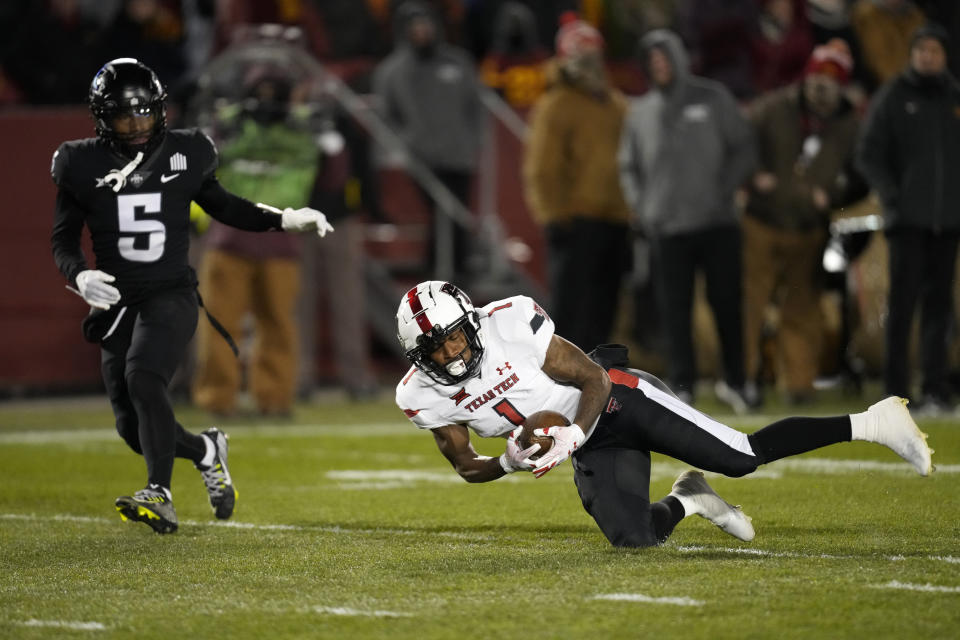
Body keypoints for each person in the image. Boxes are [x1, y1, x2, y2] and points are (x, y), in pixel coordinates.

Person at [394, 281, 933, 548]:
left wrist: (574, 435)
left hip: (614, 403)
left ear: (470, 321)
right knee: (633, 538)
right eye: (435, 350)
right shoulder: (422, 394)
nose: (452, 355)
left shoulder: (509, 322)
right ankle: (690, 498)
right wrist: (508, 461)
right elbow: (466, 465)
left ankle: (873, 420)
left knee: (742, 457)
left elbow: (592, 378)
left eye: (456, 338)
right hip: (581, 441)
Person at [50, 58, 334, 534]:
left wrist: (283, 218)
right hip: (117, 302)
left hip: (170, 292)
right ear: (103, 118)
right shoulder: (80, 162)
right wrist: (79, 276)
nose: (138, 127)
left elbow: (225, 206)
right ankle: (206, 450)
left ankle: (159, 494)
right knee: (130, 428)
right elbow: (62, 239)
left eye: (145, 114)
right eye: (125, 117)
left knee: (144, 378)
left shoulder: (186, 152)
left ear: (161, 110)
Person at [618, 29, 756, 410]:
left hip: (717, 224)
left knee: (727, 304)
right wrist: (642, 206)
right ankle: (683, 386)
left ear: (679, 58)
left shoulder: (713, 97)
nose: (659, 67)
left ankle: (737, 382)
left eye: (665, 59)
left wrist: (723, 190)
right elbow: (628, 166)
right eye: (653, 61)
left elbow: (744, 147)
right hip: (667, 228)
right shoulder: (640, 111)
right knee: (674, 311)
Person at [743, 39, 864, 405]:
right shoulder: (772, 107)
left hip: (810, 229)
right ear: (805, 80)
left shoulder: (852, 126)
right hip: (762, 222)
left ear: (841, 87)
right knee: (750, 306)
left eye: (828, 85)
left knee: (804, 310)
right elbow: (739, 142)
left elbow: (865, 174)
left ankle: (798, 385)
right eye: (815, 83)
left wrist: (838, 195)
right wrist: (752, 175)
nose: (820, 91)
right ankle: (743, 381)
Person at [856, 23, 960, 415]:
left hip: (947, 223)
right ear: (912, 54)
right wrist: (893, 196)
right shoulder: (894, 97)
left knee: (940, 309)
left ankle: (935, 387)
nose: (927, 57)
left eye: (934, 51)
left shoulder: (954, 98)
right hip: (907, 223)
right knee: (902, 308)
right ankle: (895, 393)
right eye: (921, 51)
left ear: (944, 56)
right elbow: (868, 152)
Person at [522, 12, 632, 353]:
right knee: (571, 310)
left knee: (607, 306)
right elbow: (541, 168)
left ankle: (602, 377)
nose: (589, 64)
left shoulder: (616, 104)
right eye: (582, 56)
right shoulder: (556, 105)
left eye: (593, 56)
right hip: (576, 218)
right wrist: (552, 216)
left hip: (615, 218)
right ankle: (565, 380)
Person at [372, 0, 482, 279]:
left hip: (459, 153)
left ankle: (458, 266)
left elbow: (476, 106)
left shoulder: (458, 62)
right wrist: (406, 141)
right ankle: (438, 267)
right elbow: (386, 115)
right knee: (438, 212)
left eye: (426, 26)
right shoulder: (392, 71)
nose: (422, 32)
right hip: (422, 156)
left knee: (457, 210)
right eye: (415, 28)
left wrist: (472, 141)